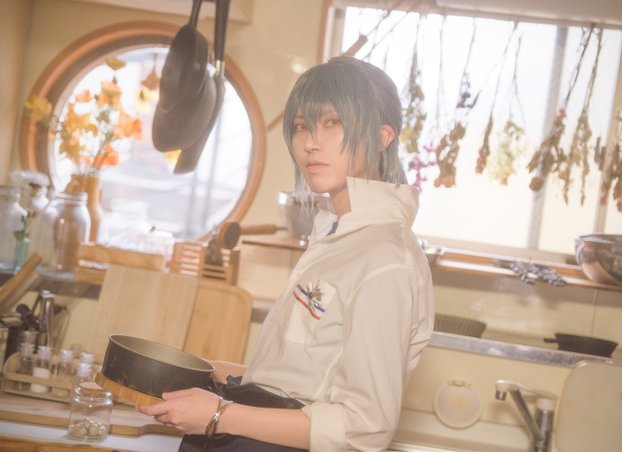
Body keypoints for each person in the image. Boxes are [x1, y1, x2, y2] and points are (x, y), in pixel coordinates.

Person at [139, 56, 434, 451]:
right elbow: (314, 377)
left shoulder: (386, 261)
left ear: (382, 137)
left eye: (333, 123)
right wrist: (230, 376)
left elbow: (365, 427)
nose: (311, 142)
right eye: (301, 126)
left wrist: (219, 414)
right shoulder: (336, 234)